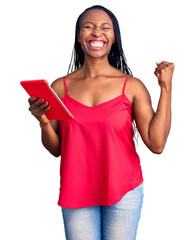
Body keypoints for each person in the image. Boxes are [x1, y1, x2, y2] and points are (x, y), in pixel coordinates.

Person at [28, 5, 174, 240]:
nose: (97, 33)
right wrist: (44, 122)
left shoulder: (132, 86)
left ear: (114, 37)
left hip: (123, 191)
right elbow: (56, 149)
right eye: (89, 27)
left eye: (105, 28)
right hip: (76, 193)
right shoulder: (58, 88)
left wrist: (166, 88)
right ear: (78, 36)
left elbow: (156, 144)